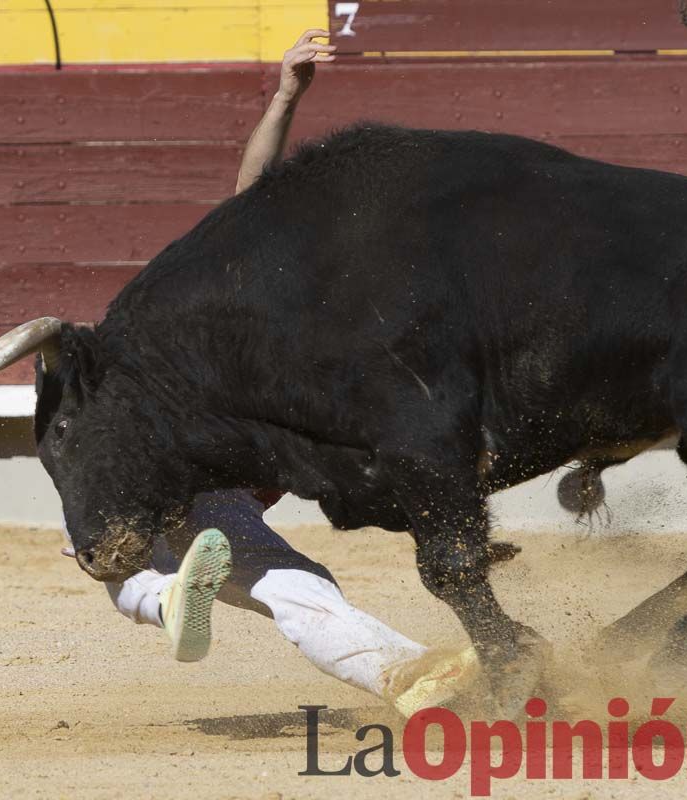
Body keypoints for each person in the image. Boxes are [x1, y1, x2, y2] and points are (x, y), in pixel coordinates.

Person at [64, 31, 477, 716]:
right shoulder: (307, 318)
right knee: (287, 581)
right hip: (166, 467)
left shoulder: (300, 314)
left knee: (148, 557)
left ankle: (166, 602)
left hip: (175, 476)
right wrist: (285, 96)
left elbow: (249, 202)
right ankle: (405, 674)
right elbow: (251, 198)